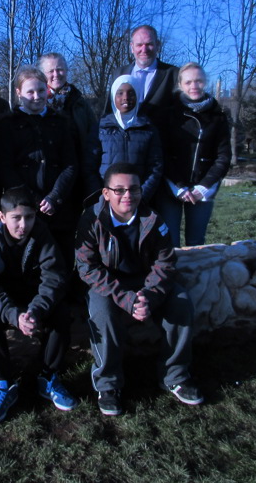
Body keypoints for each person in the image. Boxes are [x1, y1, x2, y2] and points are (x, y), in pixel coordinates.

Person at [76, 162, 202, 416]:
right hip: (108, 284)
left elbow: (165, 262)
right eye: (119, 190)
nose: (127, 196)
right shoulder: (91, 219)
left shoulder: (153, 219)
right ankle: (108, 384)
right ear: (106, 193)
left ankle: (174, 374)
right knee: (102, 313)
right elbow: (87, 267)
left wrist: (150, 295)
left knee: (180, 302)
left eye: (134, 189)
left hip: (146, 282)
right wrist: (125, 299)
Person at [0, 186, 79, 425]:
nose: (23, 225)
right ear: (2, 217)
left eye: (29, 217)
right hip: (0, 293)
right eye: (16, 218)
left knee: (61, 312)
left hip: (31, 293)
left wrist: (36, 310)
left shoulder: (42, 234)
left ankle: (48, 376)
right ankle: (4, 383)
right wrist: (13, 315)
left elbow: (55, 277)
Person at [0, 65, 77, 265]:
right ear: (18, 93)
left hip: (59, 208)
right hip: (24, 210)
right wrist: (34, 200)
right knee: (29, 264)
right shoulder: (7, 125)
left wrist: (55, 197)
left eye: (41, 90)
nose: (37, 96)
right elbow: (5, 167)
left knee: (62, 261)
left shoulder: (61, 122)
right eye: (30, 91)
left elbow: (70, 164)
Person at [156, 62, 231, 247]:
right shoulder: (169, 114)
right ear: (180, 85)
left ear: (205, 82)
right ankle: (173, 276)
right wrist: (179, 187)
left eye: (198, 81)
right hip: (172, 187)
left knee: (196, 242)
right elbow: (162, 152)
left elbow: (223, 157)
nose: (194, 86)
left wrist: (204, 187)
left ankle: (195, 276)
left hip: (202, 188)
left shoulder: (218, 115)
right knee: (170, 242)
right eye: (188, 82)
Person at [38, 52, 100, 198]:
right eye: (51, 71)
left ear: (66, 71)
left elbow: (92, 135)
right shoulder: (37, 102)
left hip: (78, 172)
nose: (56, 74)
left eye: (60, 69)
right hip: (47, 175)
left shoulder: (80, 103)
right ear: (42, 75)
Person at [97, 74, 163, 207]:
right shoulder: (100, 128)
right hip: (107, 202)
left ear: (138, 96)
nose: (125, 97)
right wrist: (103, 197)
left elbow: (155, 167)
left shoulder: (148, 129)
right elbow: (89, 167)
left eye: (131, 93)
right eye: (120, 93)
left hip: (139, 201)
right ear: (113, 96)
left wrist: (140, 197)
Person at [108, 24, 178, 126]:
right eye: (139, 45)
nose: (144, 50)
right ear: (132, 47)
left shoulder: (173, 74)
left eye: (149, 44)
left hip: (161, 139)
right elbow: (110, 110)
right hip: (126, 139)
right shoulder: (118, 74)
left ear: (158, 45)